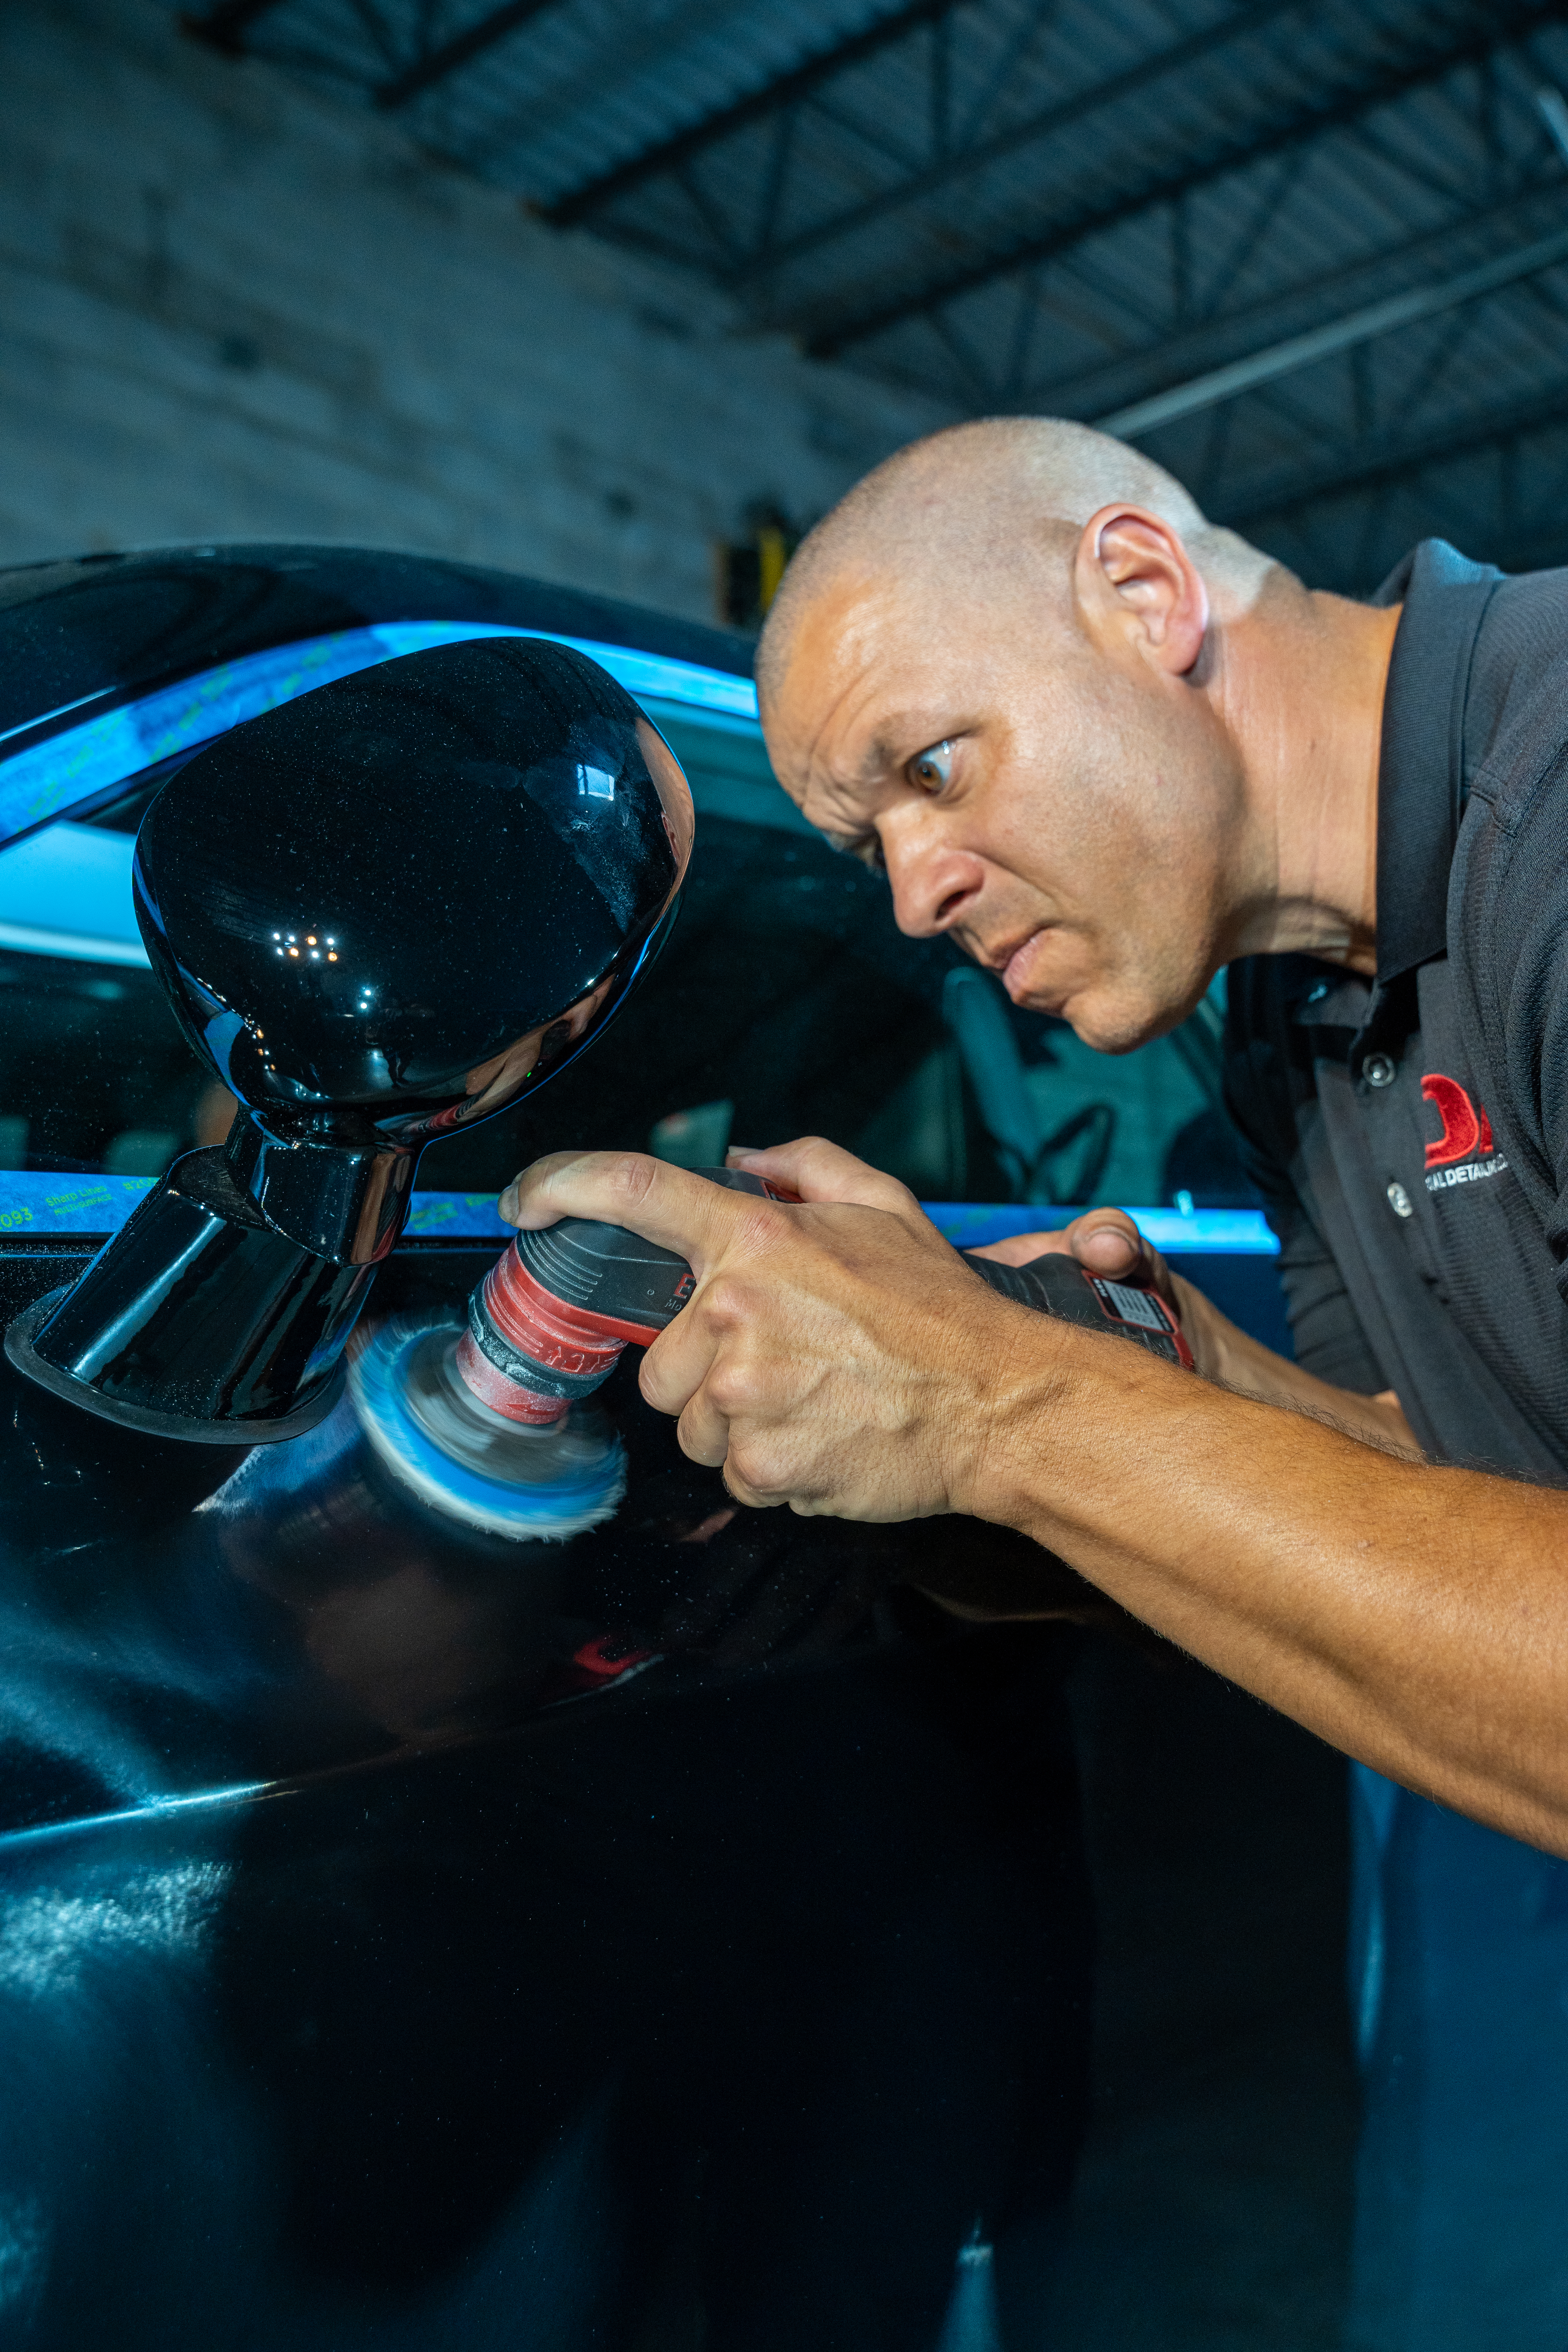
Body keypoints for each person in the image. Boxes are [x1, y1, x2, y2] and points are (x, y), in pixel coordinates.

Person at [498, 416, 1568, 1863]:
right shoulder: (1278, 1010)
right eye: (869, 847)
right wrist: (1141, 1358)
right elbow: (1446, 1479)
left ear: (1146, 594)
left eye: (932, 768)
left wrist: (997, 1402)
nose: (912, 902)